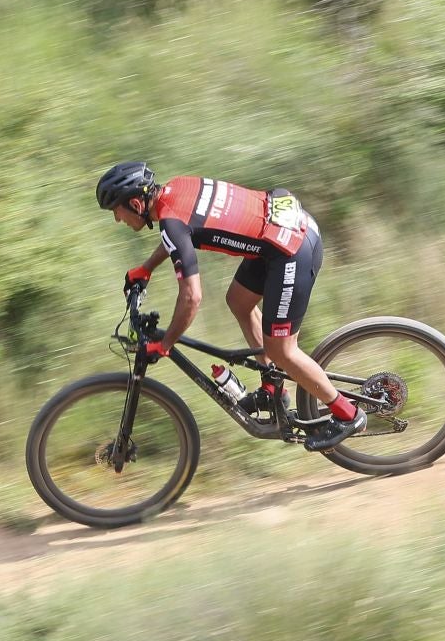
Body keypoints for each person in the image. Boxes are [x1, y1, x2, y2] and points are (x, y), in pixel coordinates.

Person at [95, 160, 366, 452]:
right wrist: (146, 268)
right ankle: (273, 387)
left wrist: (165, 344)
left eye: (116, 211)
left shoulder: (171, 222)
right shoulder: (177, 188)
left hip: (291, 250)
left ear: (135, 203)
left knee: (282, 350)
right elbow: (179, 236)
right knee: (238, 301)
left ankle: (347, 413)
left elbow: (191, 297)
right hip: (279, 233)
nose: (117, 220)